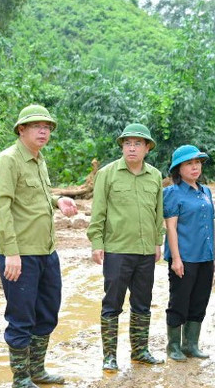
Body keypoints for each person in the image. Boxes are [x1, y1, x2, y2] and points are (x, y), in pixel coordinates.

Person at [0, 104, 78, 388]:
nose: (44, 131)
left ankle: (37, 370)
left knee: (47, 311)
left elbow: (35, 196)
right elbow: (0, 210)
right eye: (37, 126)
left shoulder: (38, 160)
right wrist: (11, 252)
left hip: (46, 251)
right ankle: (21, 377)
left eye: (47, 127)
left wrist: (57, 200)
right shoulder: (8, 161)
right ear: (21, 129)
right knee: (21, 316)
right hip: (21, 255)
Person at [87, 123, 165, 372]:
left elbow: (158, 213)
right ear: (122, 146)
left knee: (142, 303)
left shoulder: (154, 175)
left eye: (138, 143)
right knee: (112, 303)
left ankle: (140, 351)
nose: (132, 148)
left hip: (145, 251)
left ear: (147, 148)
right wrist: (97, 243)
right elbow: (98, 211)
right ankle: (109, 356)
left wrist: (157, 242)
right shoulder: (108, 174)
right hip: (117, 250)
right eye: (128, 143)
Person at [162, 145, 215, 362]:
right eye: (189, 163)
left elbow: (211, 224)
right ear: (178, 168)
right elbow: (171, 227)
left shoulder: (206, 191)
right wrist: (176, 259)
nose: (195, 166)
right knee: (179, 301)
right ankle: (173, 346)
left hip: (205, 256)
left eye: (197, 162)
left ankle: (191, 345)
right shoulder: (171, 193)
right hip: (184, 257)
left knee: (199, 301)